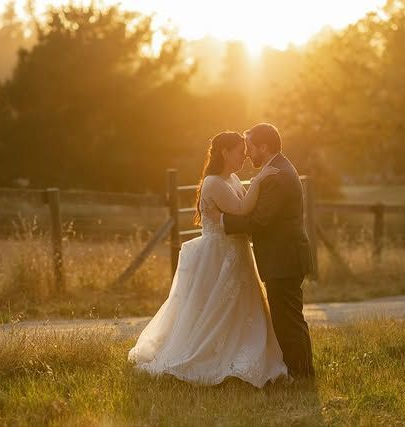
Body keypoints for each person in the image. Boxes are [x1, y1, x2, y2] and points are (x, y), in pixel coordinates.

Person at [128, 131, 287, 387]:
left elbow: (247, 207)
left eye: (246, 153)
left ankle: (243, 356)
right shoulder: (212, 182)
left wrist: (256, 187)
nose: (245, 158)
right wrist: (259, 181)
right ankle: (206, 358)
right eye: (240, 153)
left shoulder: (233, 178)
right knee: (213, 309)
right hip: (218, 255)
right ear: (225, 152)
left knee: (240, 308)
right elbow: (240, 209)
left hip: (237, 252)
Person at [206, 123, 315, 379]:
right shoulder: (276, 168)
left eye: (251, 147)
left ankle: (301, 374)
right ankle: (301, 371)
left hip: (284, 258)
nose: (247, 154)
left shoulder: (276, 175)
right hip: (284, 256)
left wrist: (221, 221)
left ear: (263, 147)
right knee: (288, 317)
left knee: (288, 319)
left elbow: (259, 220)